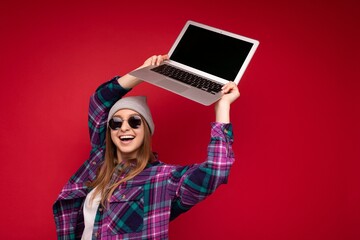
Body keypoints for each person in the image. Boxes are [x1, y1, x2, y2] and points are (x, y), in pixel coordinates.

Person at [53, 54, 240, 240]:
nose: (124, 127)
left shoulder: (163, 178)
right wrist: (142, 73)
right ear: (109, 132)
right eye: (116, 123)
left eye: (134, 122)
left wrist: (222, 107)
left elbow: (217, 170)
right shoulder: (98, 163)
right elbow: (99, 101)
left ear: (146, 131)